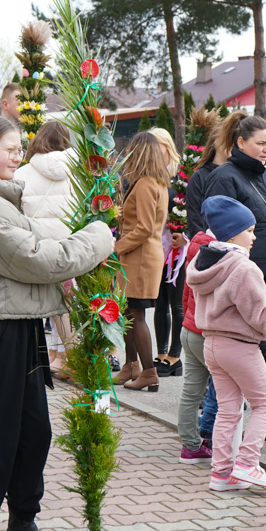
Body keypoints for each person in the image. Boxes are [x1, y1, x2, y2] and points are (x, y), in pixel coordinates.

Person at [0, 114, 113, 531]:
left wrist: (79, 225)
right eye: (11, 149)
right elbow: (38, 260)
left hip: (18, 324)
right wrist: (99, 236)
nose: (19, 156)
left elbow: (38, 235)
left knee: (34, 431)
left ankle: (23, 516)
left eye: (19, 148)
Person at [187, 196, 266, 491]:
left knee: (228, 410)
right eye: (250, 230)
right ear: (232, 231)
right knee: (265, 403)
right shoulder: (243, 268)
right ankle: (247, 463)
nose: (254, 237)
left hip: (213, 344)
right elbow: (262, 317)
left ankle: (222, 473)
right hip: (239, 346)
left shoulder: (204, 261)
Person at [206, 110, 266, 447]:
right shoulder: (225, 177)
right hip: (240, 277)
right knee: (245, 351)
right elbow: (215, 232)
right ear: (241, 142)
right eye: (260, 143)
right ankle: (219, 430)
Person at [13, 121, 76, 378]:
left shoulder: (22, 174)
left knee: (32, 305)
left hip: (35, 247)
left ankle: (32, 360)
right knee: (64, 307)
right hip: (66, 249)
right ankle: (71, 357)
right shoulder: (76, 173)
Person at [113, 131, 170, 392]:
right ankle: (131, 366)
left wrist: (116, 247)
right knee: (128, 312)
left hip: (140, 257)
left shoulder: (147, 183)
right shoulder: (152, 182)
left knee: (136, 314)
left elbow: (145, 228)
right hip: (139, 255)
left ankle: (148, 371)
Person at [175, 225, 216, 464]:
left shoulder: (196, 244)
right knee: (225, 392)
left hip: (189, 328)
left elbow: (186, 292)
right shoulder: (219, 252)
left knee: (191, 392)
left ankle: (191, 445)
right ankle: (218, 443)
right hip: (207, 333)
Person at [149, 127, 186, 377]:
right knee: (159, 304)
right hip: (157, 250)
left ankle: (175, 356)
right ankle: (161, 354)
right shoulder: (148, 176)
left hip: (178, 251)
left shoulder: (181, 178)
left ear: (167, 146)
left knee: (178, 304)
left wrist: (184, 235)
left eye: (157, 143)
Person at [186, 127, 231, 237]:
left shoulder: (237, 174)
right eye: (227, 139)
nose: (231, 143)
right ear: (215, 142)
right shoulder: (199, 177)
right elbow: (195, 220)